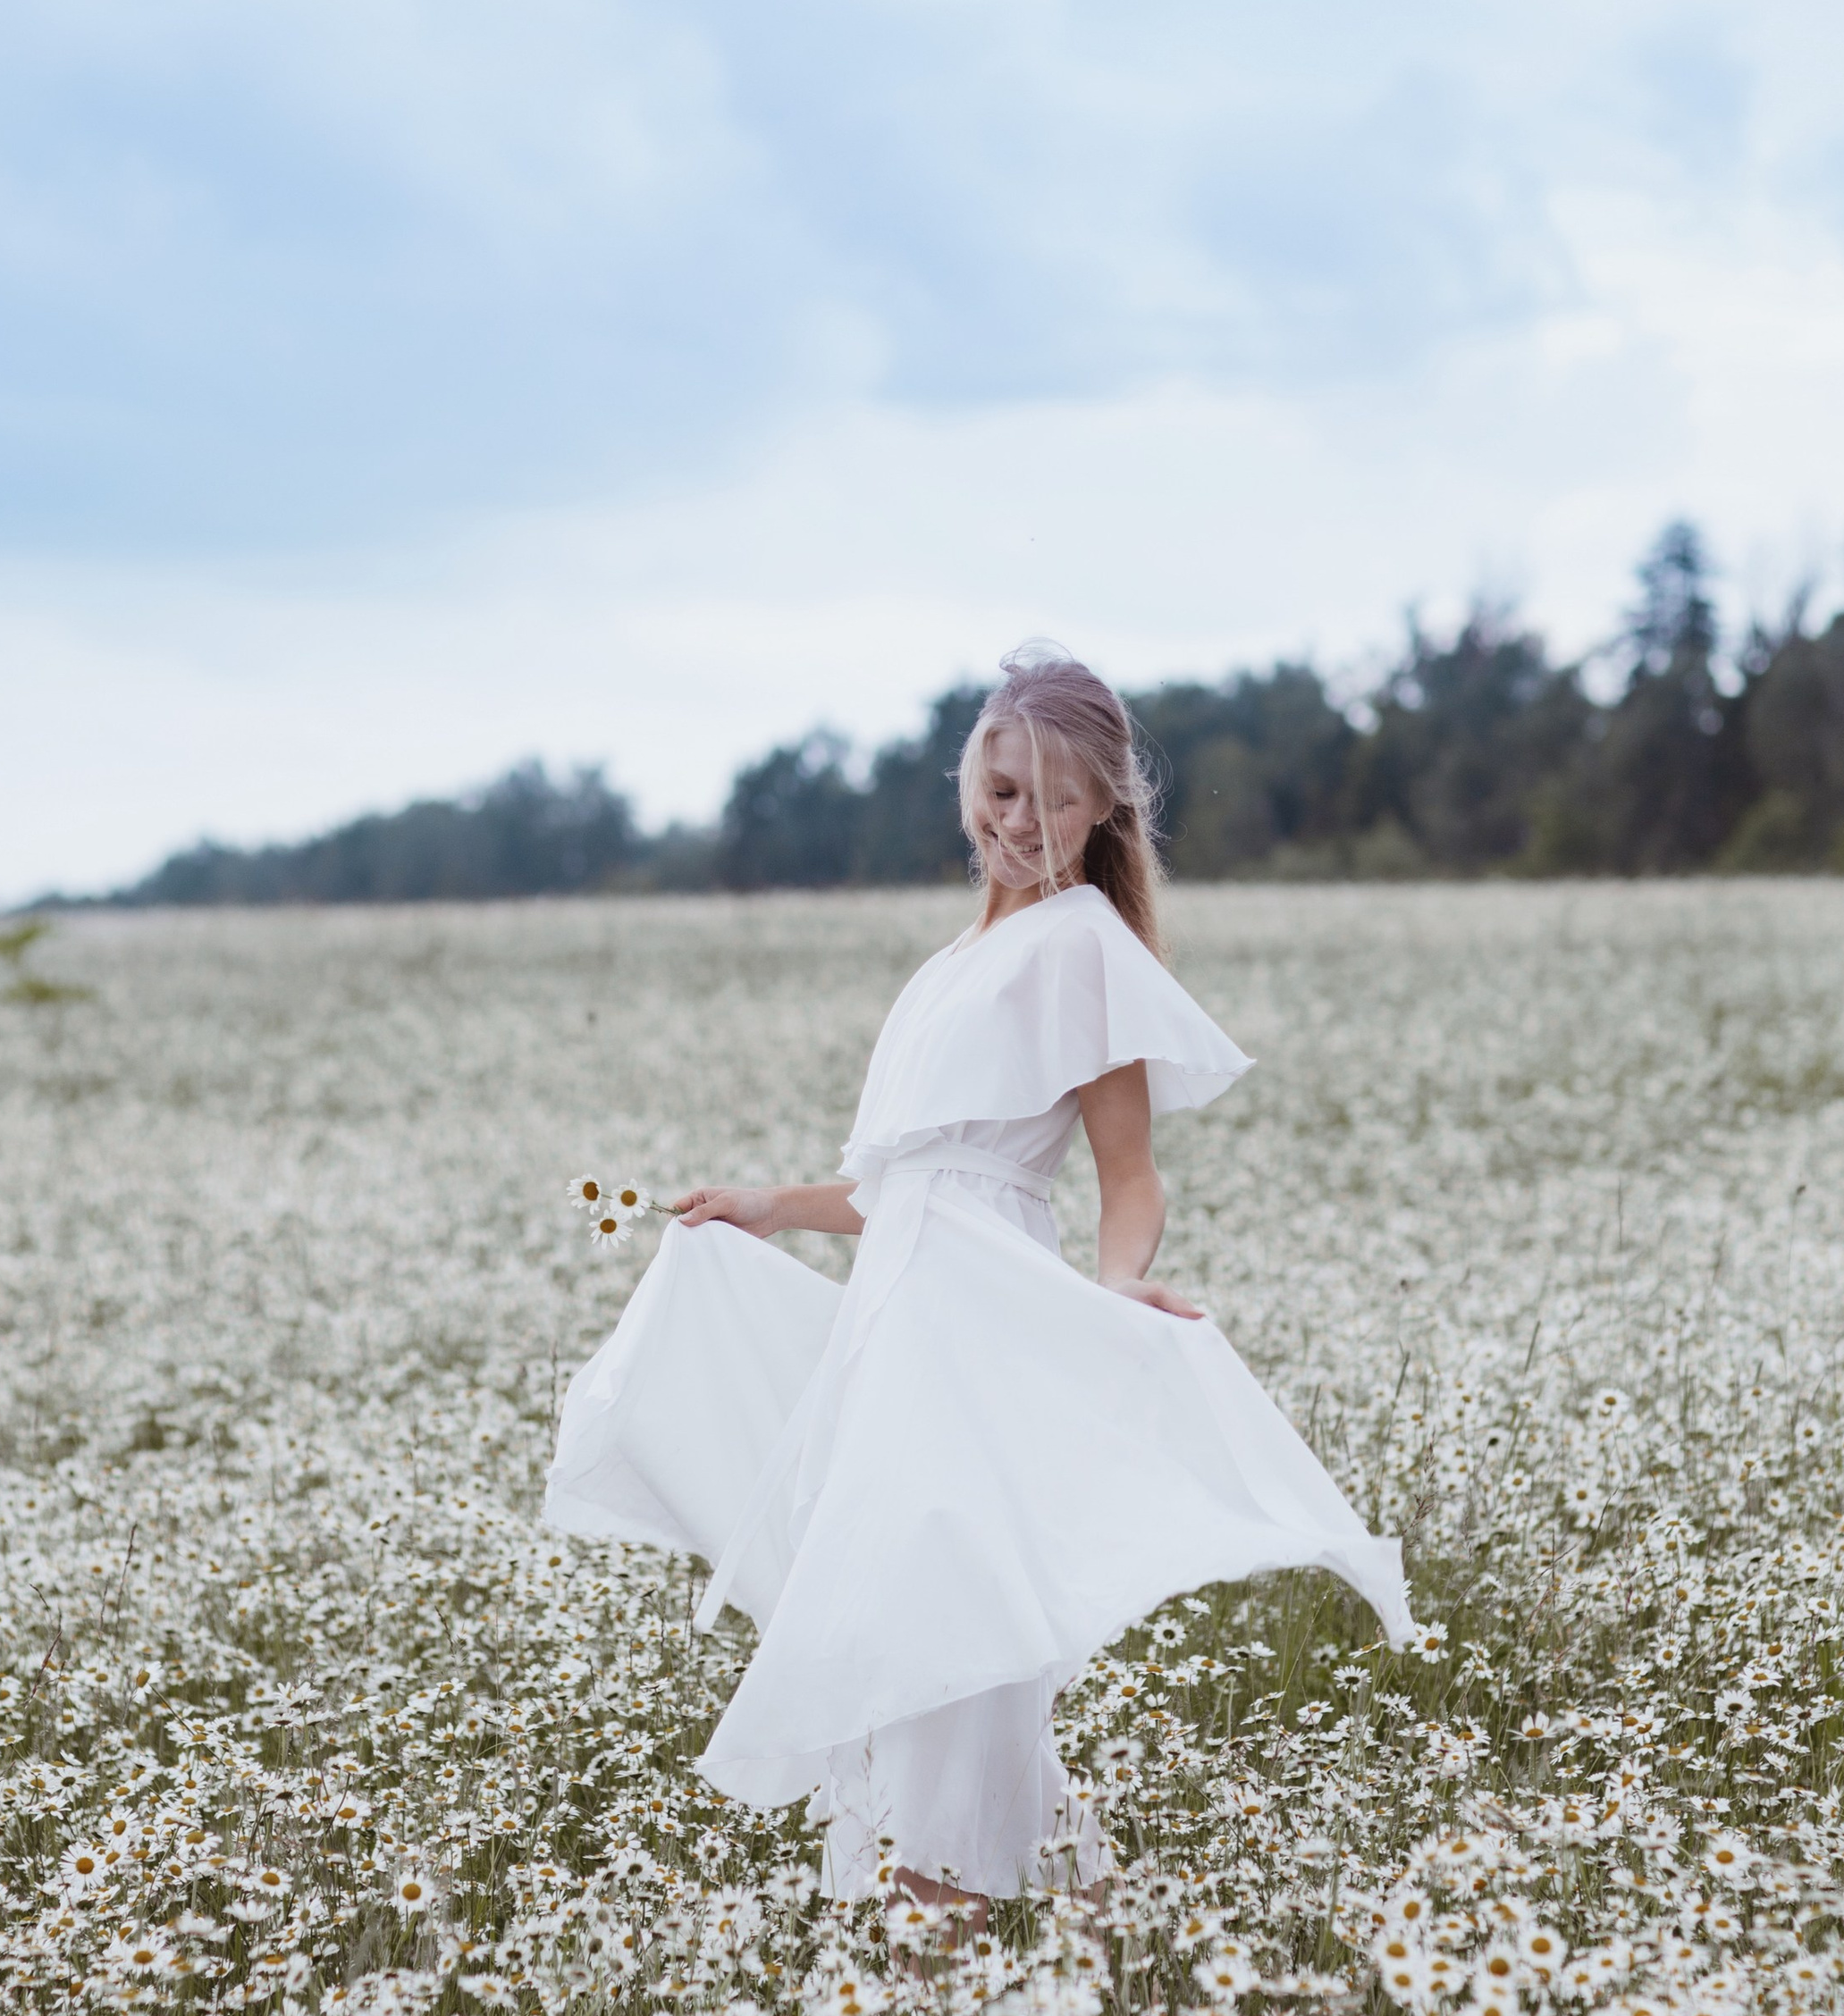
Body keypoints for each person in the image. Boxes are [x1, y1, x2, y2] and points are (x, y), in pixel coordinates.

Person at [543, 643, 1413, 1918]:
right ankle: (1066, 1931)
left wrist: (1116, 1288)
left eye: (1054, 800)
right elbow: (908, 1188)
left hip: (981, 1332)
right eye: (1001, 791)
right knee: (921, 1635)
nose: (1020, 823)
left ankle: (948, 1939)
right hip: (899, 1331)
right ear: (969, 786)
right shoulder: (952, 962)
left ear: (1103, 808)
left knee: (947, 1634)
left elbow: (1129, 1175)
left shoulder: (1084, 946)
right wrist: (771, 1206)